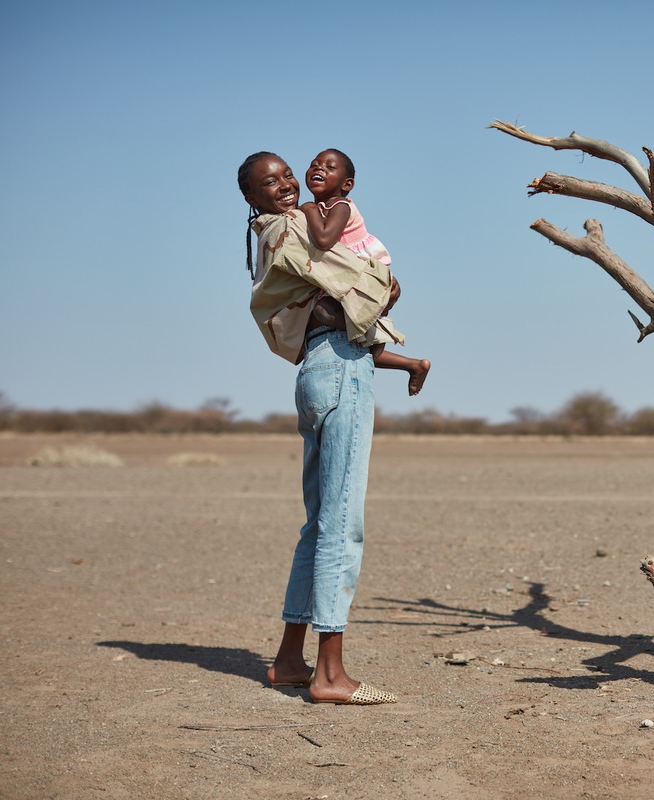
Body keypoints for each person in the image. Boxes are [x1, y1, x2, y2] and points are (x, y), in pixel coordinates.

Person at [238, 150, 396, 705]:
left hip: (313, 371)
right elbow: (342, 297)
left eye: (287, 176)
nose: (284, 185)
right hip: (337, 367)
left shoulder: (270, 235)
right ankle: (330, 676)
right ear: (252, 197)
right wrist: (381, 290)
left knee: (317, 524)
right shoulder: (291, 227)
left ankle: (288, 660)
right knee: (340, 526)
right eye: (270, 182)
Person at [300, 148, 430, 396]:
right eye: (314, 164)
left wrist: (308, 210)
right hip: (344, 277)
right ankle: (411, 362)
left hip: (363, 275)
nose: (319, 168)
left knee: (323, 312)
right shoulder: (321, 207)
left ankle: (371, 332)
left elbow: (325, 239)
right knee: (358, 340)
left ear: (347, 184)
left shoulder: (340, 206)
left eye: (329, 167)